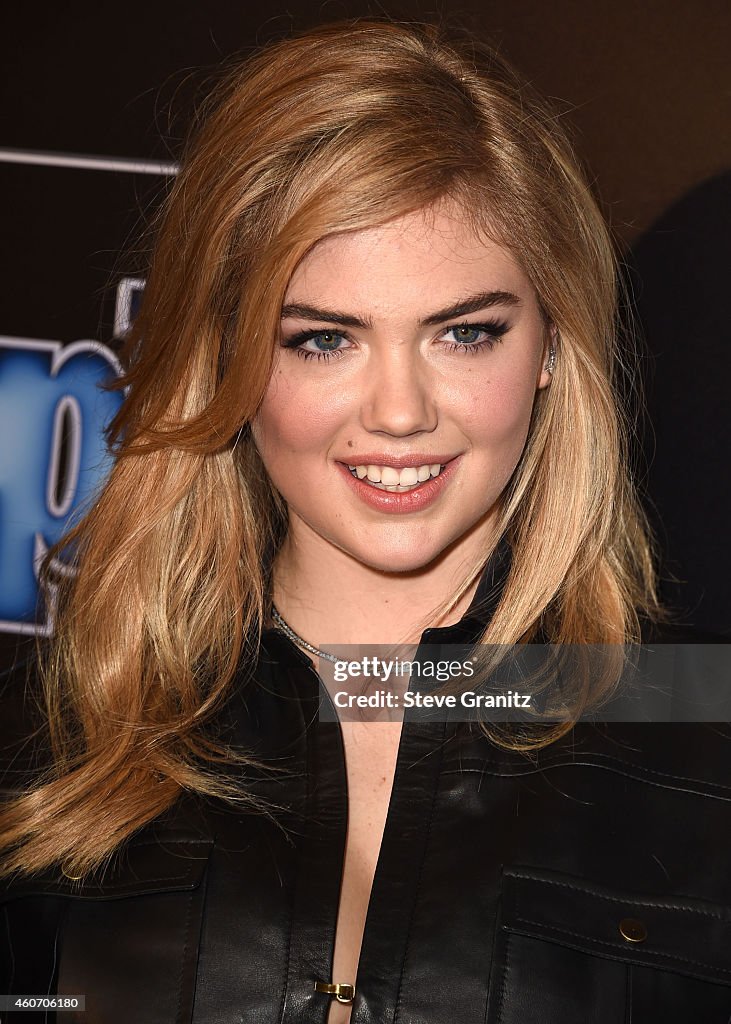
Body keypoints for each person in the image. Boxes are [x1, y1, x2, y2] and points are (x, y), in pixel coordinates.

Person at [1, 19, 729, 1024]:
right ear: (230, 358)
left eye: (464, 332)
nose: (397, 409)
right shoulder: (66, 747)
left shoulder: (703, 730)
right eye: (322, 339)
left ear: (550, 345)